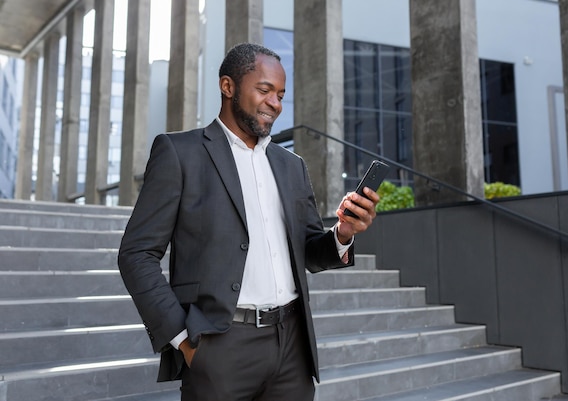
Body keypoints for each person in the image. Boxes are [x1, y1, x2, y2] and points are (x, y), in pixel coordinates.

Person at [118, 43, 379, 401]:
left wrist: (343, 234)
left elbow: (308, 252)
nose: (276, 103)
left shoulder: (292, 166)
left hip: (291, 347)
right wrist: (183, 340)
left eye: (281, 94)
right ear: (228, 87)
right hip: (220, 346)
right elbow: (136, 254)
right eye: (265, 90)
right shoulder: (180, 153)